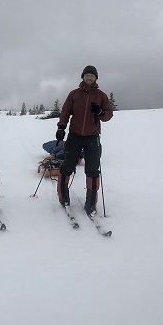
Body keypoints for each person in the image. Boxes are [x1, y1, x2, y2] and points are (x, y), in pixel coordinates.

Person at [55, 65, 113, 215]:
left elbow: (108, 115)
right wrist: (61, 127)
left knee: (93, 170)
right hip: (74, 135)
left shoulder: (101, 96)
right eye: (87, 75)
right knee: (67, 166)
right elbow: (65, 112)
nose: (89, 78)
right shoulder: (74, 94)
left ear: (95, 78)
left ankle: (90, 203)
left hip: (92, 136)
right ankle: (63, 197)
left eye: (92, 76)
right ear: (83, 77)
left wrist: (100, 112)